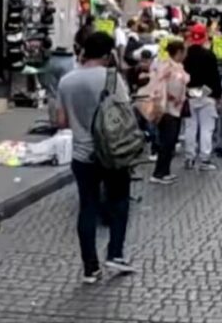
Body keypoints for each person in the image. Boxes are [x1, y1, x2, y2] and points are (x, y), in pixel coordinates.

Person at [56, 32, 137, 283]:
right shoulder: (112, 78)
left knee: (87, 207)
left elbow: (61, 121)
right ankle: (115, 253)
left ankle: (90, 267)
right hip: (112, 152)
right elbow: (125, 113)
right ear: (108, 54)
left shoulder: (66, 81)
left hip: (82, 155)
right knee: (119, 202)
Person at [182, 24, 221, 171]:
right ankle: (205, 159)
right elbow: (215, 77)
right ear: (205, 37)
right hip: (207, 93)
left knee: (190, 127)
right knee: (207, 128)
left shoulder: (185, 55)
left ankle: (189, 158)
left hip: (189, 93)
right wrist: (217, 94)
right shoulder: (209, 55)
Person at [150, 39, 188, 185]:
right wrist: (178, 97)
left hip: (171, 108)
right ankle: (159, 173)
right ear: (179, 52)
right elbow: (174, 88)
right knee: (167, 141)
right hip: (168, 109)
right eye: (184, 52)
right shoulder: (172, 68)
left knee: (170, 141)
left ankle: (165, 171)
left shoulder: (169, 65)